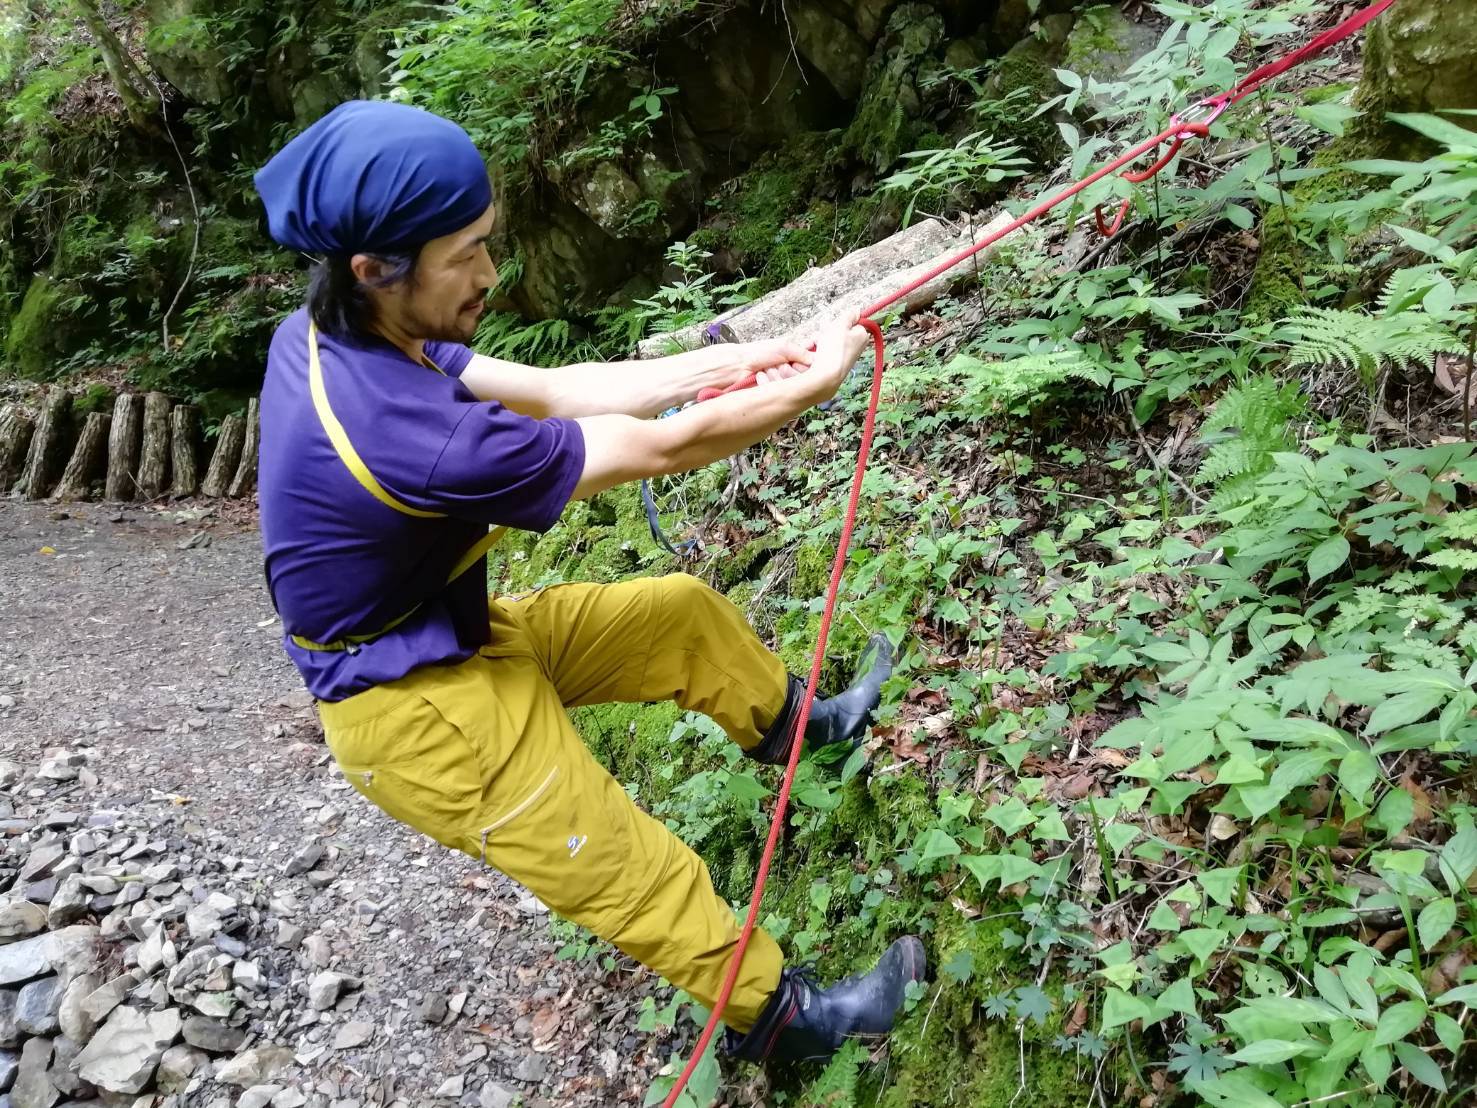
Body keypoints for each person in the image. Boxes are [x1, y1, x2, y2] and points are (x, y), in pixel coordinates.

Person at [253, 99, 925, 1065]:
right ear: (375, 269)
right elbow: (660, 445)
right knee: (620, 858)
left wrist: (747, 356)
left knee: (677, 614)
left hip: (453, 635)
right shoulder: (413, 437)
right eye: (465, 256)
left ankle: (799, 729)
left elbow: (568, 389)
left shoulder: (343, 335)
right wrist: (811, 388)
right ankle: (793, 1023)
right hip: (410, 711)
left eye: (489, 242)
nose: (489, 273)